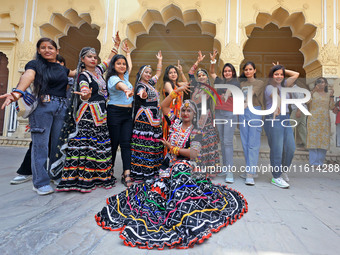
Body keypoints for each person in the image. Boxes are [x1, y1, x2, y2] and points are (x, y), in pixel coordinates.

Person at [94, 85, 248, 249]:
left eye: (189, 111)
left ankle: (185, 217)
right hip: (168, 166)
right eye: (183, 110)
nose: (185, 113)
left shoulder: (196, 130)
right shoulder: (175, 121)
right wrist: (177, 91)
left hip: (187, 165)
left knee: (180, 178)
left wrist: (173, 148)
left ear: (194, 114)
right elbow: (164, 106)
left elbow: (194, 154)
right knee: (155, 194)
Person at [0, 38, 76, 195]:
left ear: (57, 51)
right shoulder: (35, 65)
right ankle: (40, 182)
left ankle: (55, 174)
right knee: (40, 146)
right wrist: (17, 92)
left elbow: (82, 71)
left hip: (61, 108)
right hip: (43, 108)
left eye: (50, 47)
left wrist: (112, 54)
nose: (47, 50)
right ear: (39, 50)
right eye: (43, 47)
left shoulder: (63, 69)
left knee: (57, 145)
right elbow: (28, 76)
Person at [55, 41, 118, 192]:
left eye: (95, 57)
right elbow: (83, 91)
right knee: (87, 146)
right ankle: (83, 179)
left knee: (98, 146)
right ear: (82, 59)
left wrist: (115, 46)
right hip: (88, 114)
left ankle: (98, 176)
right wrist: (85, 94)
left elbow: (108, 61)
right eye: (89, 57)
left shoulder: (98, 71)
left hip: (101, 114)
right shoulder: (83, 75)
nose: (93, 59)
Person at [264, 64, 299, 188]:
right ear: (271, 76)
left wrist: (282, 68)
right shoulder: (269, 87)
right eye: (276, 74)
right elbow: (276, 97)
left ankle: (283, 170)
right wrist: (277, 108)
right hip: (274, 119)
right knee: (277, 149)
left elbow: (296, 74)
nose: (279, 76)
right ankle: (276, 177)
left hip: (286, 118)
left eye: (281, 74)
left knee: (290, 148)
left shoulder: (285, 85)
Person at [130, 51, 164, 181]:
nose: (149, 74)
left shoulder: (151, 84)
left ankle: (152, 169)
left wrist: (159, 60)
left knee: (152, 143)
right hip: (145, 117)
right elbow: (141, 93)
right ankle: (142, 172)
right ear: (141, 73)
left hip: (153, 117)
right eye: (146, 72)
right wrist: (142, 94)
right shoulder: (140, 85)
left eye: (150, 72)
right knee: (145, 143)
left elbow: (158, 74)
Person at [106, 39, 134, 188]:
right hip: (115, 113)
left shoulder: (126, 77)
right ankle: (109, 171)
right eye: (119, 63)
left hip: (127, 114)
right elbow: (120, 85)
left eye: (123, 64)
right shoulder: (113, 78)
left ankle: (126, 173)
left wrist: (128, 53)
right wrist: (126, 90)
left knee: (126, 144)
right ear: (113, 66)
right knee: (114, 143)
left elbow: (129, 67)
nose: (122, 66)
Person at [209, 50, 240, 183]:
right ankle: (226, 168)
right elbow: (212, 73)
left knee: (227, 142)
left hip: (229, 114)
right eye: (225, 71)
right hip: (219, 113)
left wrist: (226, 95)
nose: (227, 73)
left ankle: (230, 172)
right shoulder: (220, 81)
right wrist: (213, 61)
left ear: (233, 72)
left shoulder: (235, 83)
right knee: (222, 141)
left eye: (229, 71)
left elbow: (229, 91)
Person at [189, 51, 220, 177]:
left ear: (207, 77)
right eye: (199, 75)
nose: (201, 77)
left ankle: (209, 171)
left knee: (208, 144)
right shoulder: (195, 86)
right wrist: (198, 62)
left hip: (206, 118)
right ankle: (199, 169)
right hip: (195, 119)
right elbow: (190, 73)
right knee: (198, 144)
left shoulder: (210, 88)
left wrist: (212, 62)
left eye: (203, 75)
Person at [238, 61, 266, 185]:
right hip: (242, 112)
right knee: (244, 142)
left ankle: (250, 174)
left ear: (254, 70)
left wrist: (245, 104)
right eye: (246, 70)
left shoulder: (259, 83)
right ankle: (250, 169)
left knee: (253, 142)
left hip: (254, 111)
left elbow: (251, 93)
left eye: (250, 69)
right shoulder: (242, 83)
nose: (248, 71)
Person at [307, 77, 335, 166]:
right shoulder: (313, 94)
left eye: (323, 82)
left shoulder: (328, 94)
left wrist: (331, 96)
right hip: (313, 120)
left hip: (324, 121)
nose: (320, 84)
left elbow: (331, 107)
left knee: (323, 141)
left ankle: (320, 163)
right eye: (318, 82)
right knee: (313, 140)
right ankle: (313, 162)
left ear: (326, 84)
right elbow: (306, 101)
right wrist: (313, 91)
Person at [161, 61, 187, 154]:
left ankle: (176, 161)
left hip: (178, 114)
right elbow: (173, 93)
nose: (173, 74)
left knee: (177, 138)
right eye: (170, 73)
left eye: (174, 72)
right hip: (170, 114)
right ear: (167, 75)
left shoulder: (178, 84)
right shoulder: (168, 84)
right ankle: (168, 160)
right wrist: (178, 89)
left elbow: (187, 83)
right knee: (170, 136)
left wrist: (181, 71)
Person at [290, 83, 307, 149]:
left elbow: (300, 100)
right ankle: (307, 145)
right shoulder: (293, 89)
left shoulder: (296, 89)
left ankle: (289, 144)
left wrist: (298, 111)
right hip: (301, 110)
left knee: (290, 126)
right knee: (302, 128)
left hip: (298, 110)